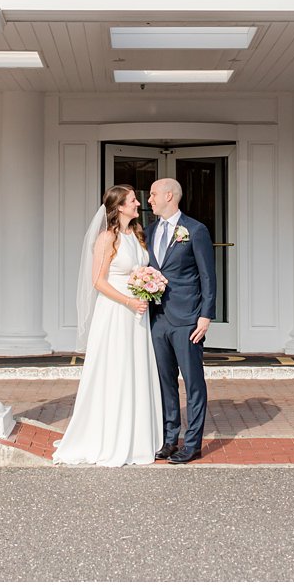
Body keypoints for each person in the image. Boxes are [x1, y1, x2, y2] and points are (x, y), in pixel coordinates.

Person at [51, 185, 163, 466]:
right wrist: (128, 300)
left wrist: (149, 285)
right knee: (115, 370)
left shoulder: (136, 235)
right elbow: (98, 281)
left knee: (135, 369)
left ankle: (137, 437)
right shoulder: (106, 238)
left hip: (137, 313)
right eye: (133, 200)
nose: (138, 204)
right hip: (115, 312)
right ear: (120, 207)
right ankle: (109, 436)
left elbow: (140, 268)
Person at [146, 178, 216, 464]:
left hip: (187, 319)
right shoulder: (149, 231)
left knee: (193, 383)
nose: (149, 200)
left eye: (152, 194)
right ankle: (169, 439)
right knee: (164, 382)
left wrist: (206, 315)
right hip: (157, 319)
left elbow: (208, 276)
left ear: (169, 195)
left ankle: (193, 443)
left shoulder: (195, 230)